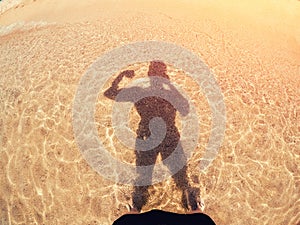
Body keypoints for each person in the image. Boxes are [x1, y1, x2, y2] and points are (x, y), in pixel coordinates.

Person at [104, 61, 200, 212]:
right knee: (181, 177)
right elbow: (186, 110)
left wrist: (122, 75)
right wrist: (171, 86)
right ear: (164, 76)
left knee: (143, 178)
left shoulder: (139, 92)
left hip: (146, 135)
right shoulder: (170, 93)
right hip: (169, 134)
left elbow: (108, 93)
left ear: (148, 75)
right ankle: (194, 208)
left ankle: (135, 210)